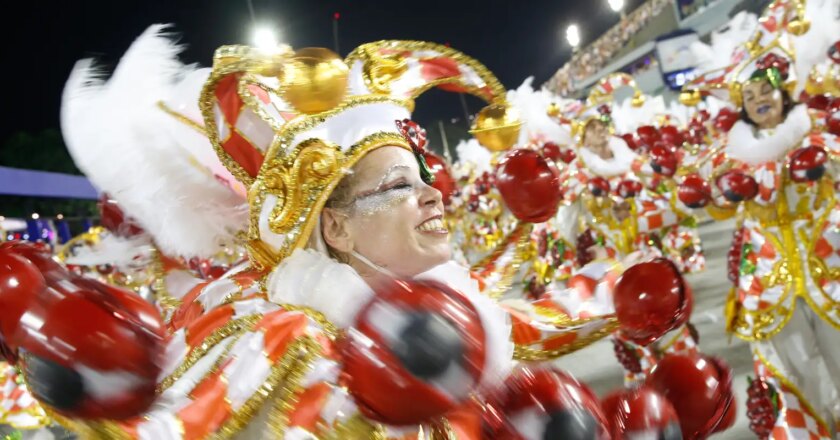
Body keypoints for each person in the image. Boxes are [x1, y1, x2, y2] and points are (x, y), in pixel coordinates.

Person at [0, 28, 697, 439]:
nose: (432, 193)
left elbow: (544, 319)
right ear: (333, 225)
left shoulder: (447, 308)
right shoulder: (283, 342)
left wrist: (630, 300)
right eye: (399, 185)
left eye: (426, 177)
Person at [678, 0, 840, 435]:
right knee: (795, 367)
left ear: (784, 90)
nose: (759, 99)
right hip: (768, 279)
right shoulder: (730, 157)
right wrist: (702, 197)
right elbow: (709, 196)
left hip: (832, 265)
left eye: (765, 89)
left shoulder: (820, 128)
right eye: (748, 96)